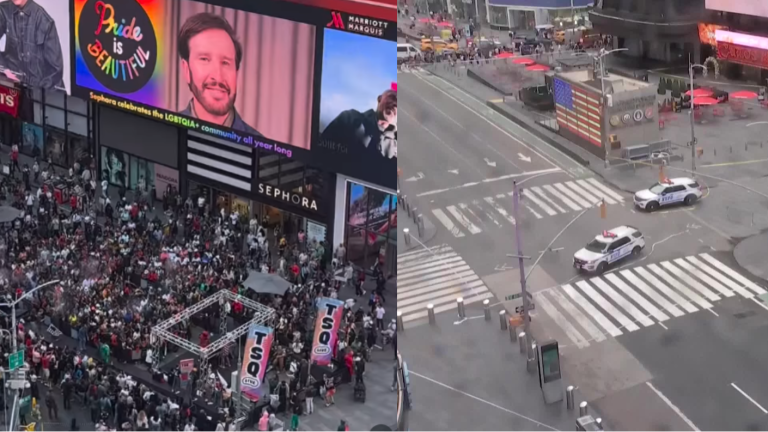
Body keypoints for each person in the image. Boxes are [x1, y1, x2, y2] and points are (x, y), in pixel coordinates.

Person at [177, 13, 261, 136]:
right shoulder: (162, 131)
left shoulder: (261, 147)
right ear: (186, 69)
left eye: (226, 63)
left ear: (236, 73)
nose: (218, 76)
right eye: (204, 59)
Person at [0, 0, 65, 90]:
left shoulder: (44, 21)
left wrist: (36, 93)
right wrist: (5, 70)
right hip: (13, 87)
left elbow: (55, 70)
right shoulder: (3, 10)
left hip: (41, 90)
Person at [320, 89, 397, 160]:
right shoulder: (350, 118)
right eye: (391, 97)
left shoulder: (396, 145)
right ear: (379, 99)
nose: (394, 104)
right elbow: (322, 150)